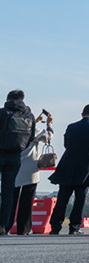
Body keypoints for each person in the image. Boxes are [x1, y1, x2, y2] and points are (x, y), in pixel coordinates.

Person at [49, 104, 89, 235]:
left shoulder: (71, 127)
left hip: (68, 164)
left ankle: (55, 226)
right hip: (85, 166)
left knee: (62, 197)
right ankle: (74, 226)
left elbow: (66, 144)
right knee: (80, 198)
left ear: (82, 113)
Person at [7, 110, 53, 235]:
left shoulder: (9, 129)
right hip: (30, 171)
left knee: (9, 201)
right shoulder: (34, 131)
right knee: (27, 202)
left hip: (12, 169)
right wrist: (49, 124)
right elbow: (48, 137)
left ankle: (5, 226)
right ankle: (24, 229)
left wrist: (35, 122)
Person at [0, 90, 36, 236]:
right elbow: (31, 137)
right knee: (8, 193)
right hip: (15, 157)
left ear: (8, 99)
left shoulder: (2, 113)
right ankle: (2, 225)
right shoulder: (30, 116)